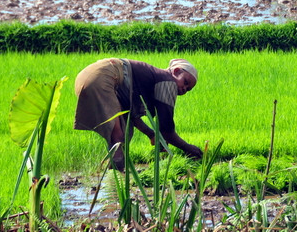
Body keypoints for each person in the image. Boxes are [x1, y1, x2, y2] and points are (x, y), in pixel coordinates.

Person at [74, 58, 203, 171]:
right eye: (185, 82)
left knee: (123, 132)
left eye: (188, 89)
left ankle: (113, 180)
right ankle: (117, 182)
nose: (184, 89)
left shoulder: (152, 78)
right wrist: (188, 148)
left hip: (88, 75)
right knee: (118, 138)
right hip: (102, 76)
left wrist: (151, 134)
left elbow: (132, 115)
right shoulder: (167, 80)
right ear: (176, 71)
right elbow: (166, 129)